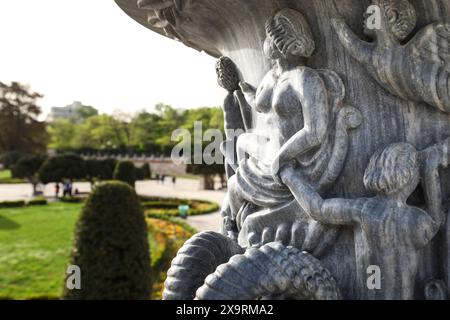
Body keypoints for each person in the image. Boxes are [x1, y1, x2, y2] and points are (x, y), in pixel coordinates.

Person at [281, 141, 449, 299]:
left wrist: (289, 176)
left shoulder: (364, 210)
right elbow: (436, 219)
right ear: (409, 176)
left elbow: (318, 209)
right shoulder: (416, 221)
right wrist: (429, 171)